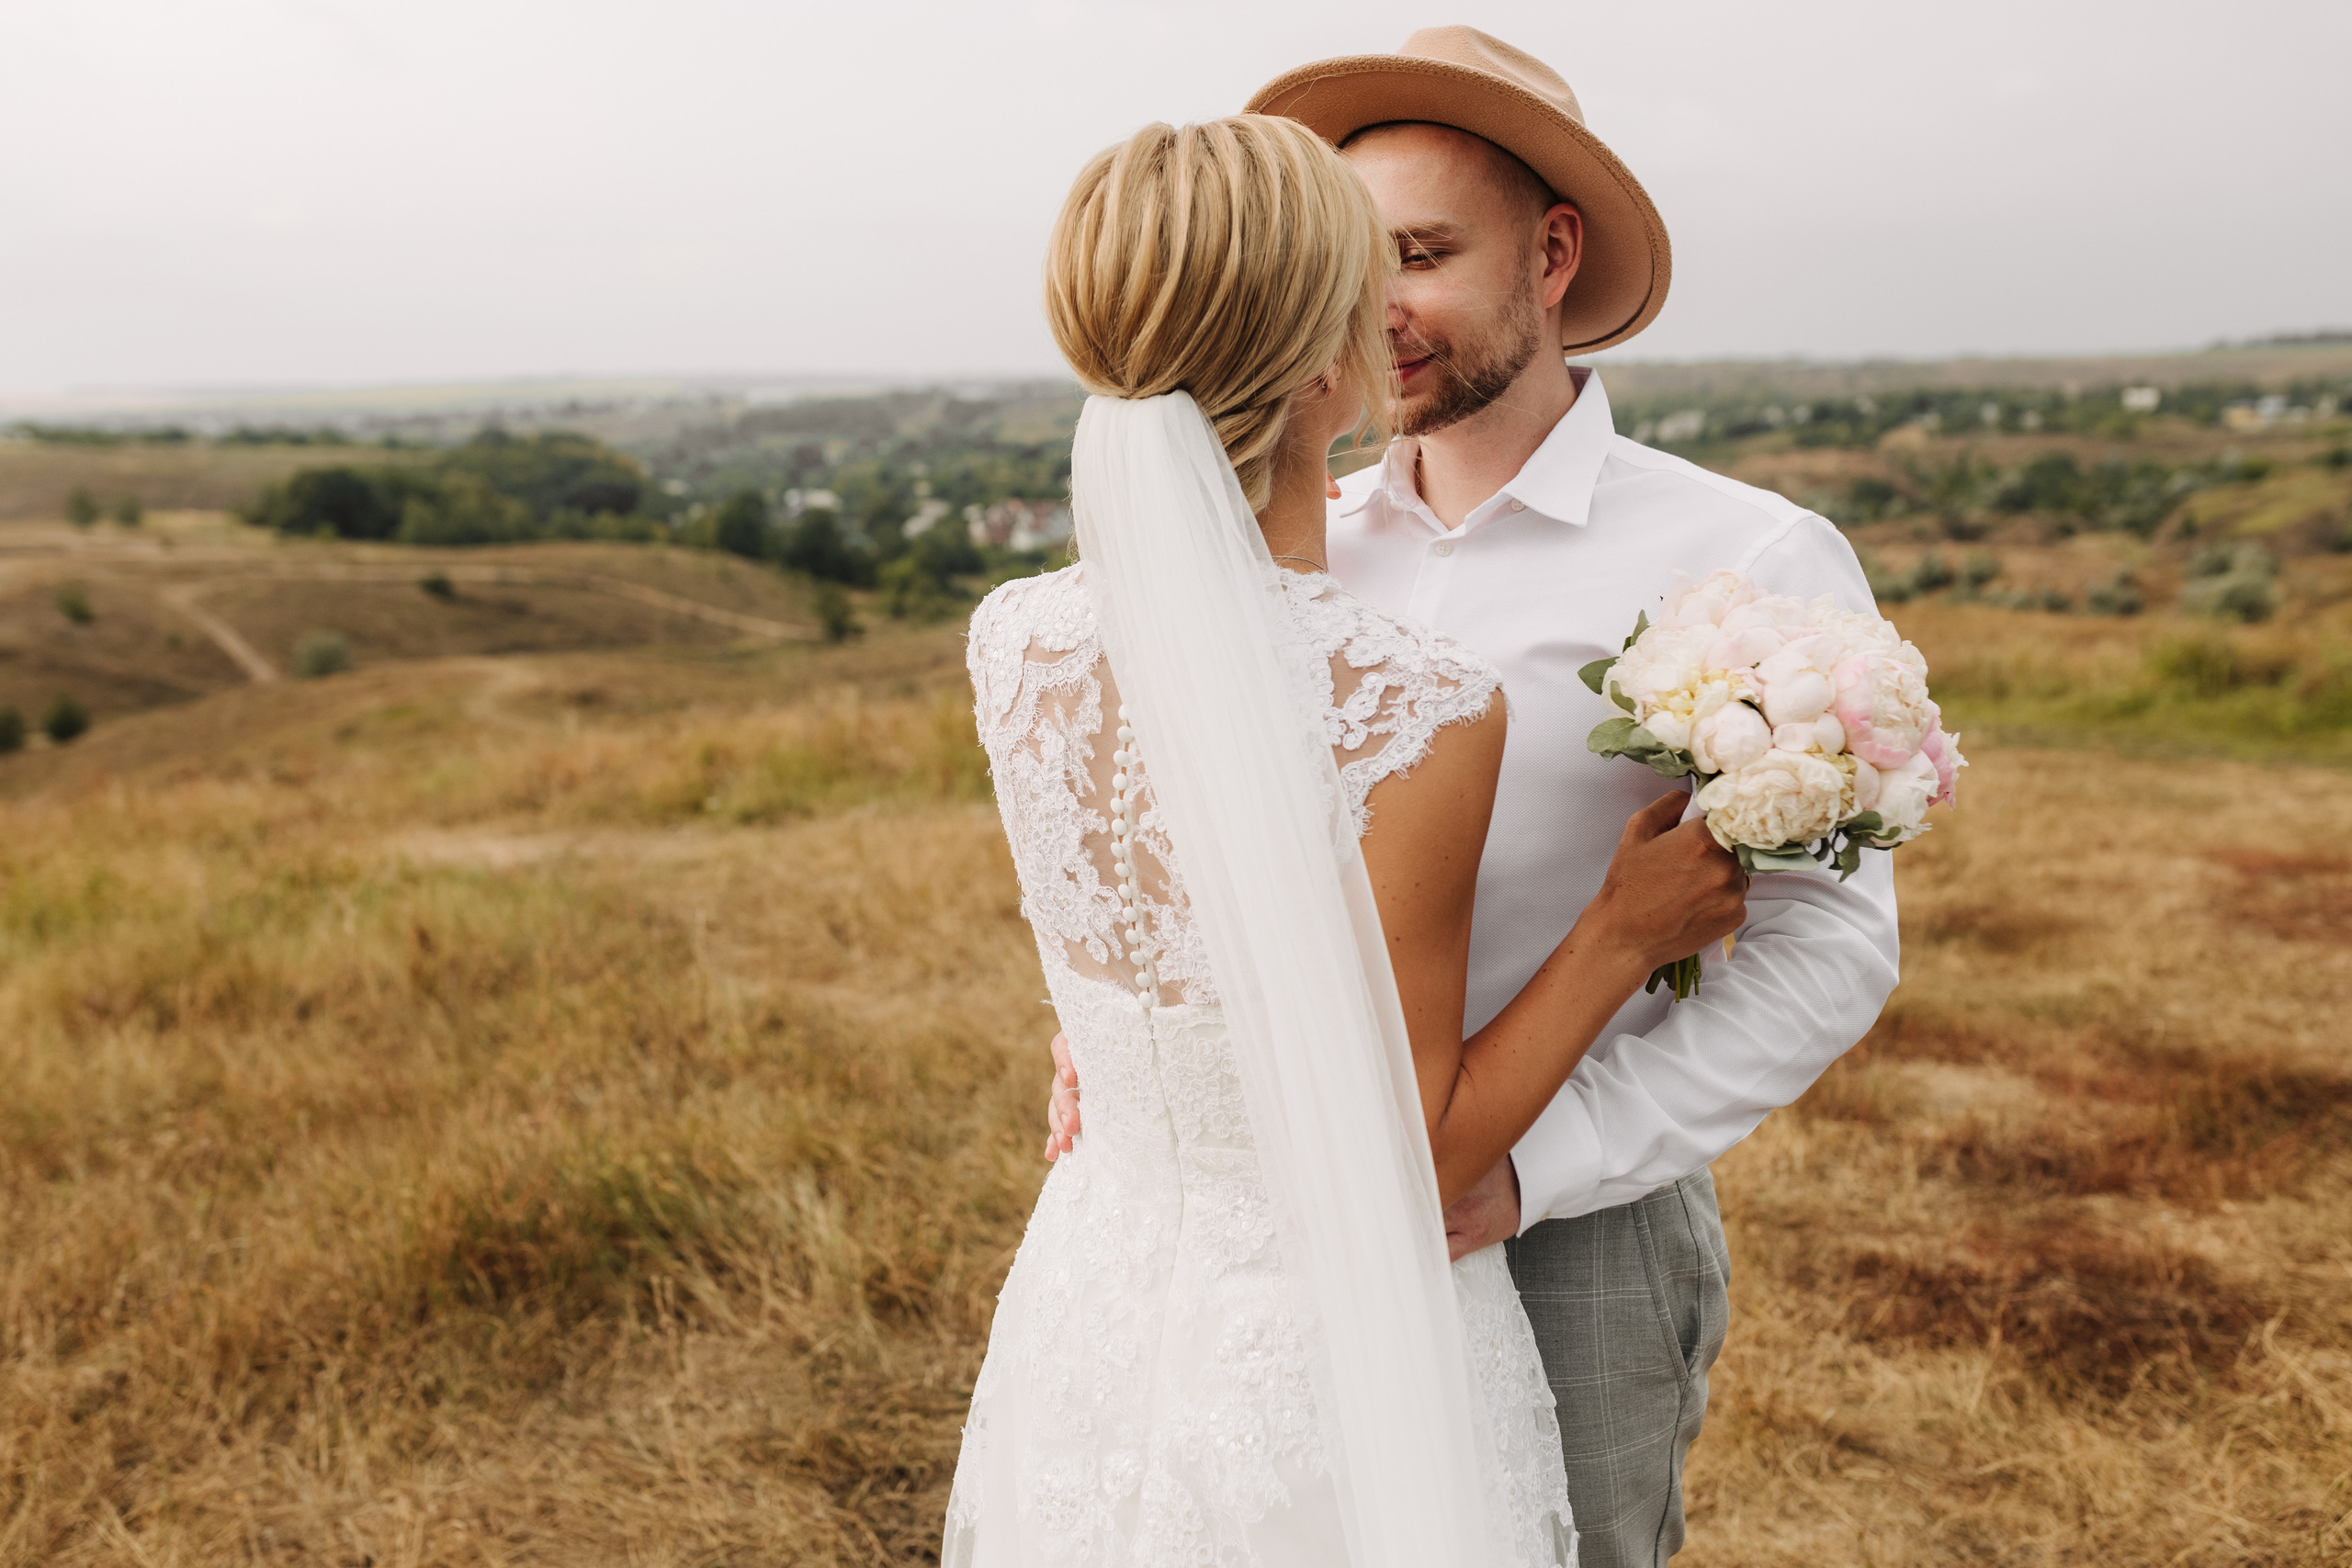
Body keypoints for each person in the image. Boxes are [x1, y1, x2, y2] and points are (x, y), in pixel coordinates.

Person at [1042, 28, 1903, 1568]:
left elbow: (1829, 949)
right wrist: (1132, 1031)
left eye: (1423, 254)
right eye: (1347, 263)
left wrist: (1535, 1166)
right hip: (1275, 1248)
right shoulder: (1269, 528)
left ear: (1552, 254)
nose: (1375, 311)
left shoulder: (1750, 560)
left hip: (1568, 1235)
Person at [948, 113, 1746, 1565]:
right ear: (1329, 358)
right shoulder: (1412, 705)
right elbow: (1402, 1161)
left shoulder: (1018, 641)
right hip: (1332, 1352)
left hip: (1103, 1293)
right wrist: (1625, 932)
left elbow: (1155, 943)